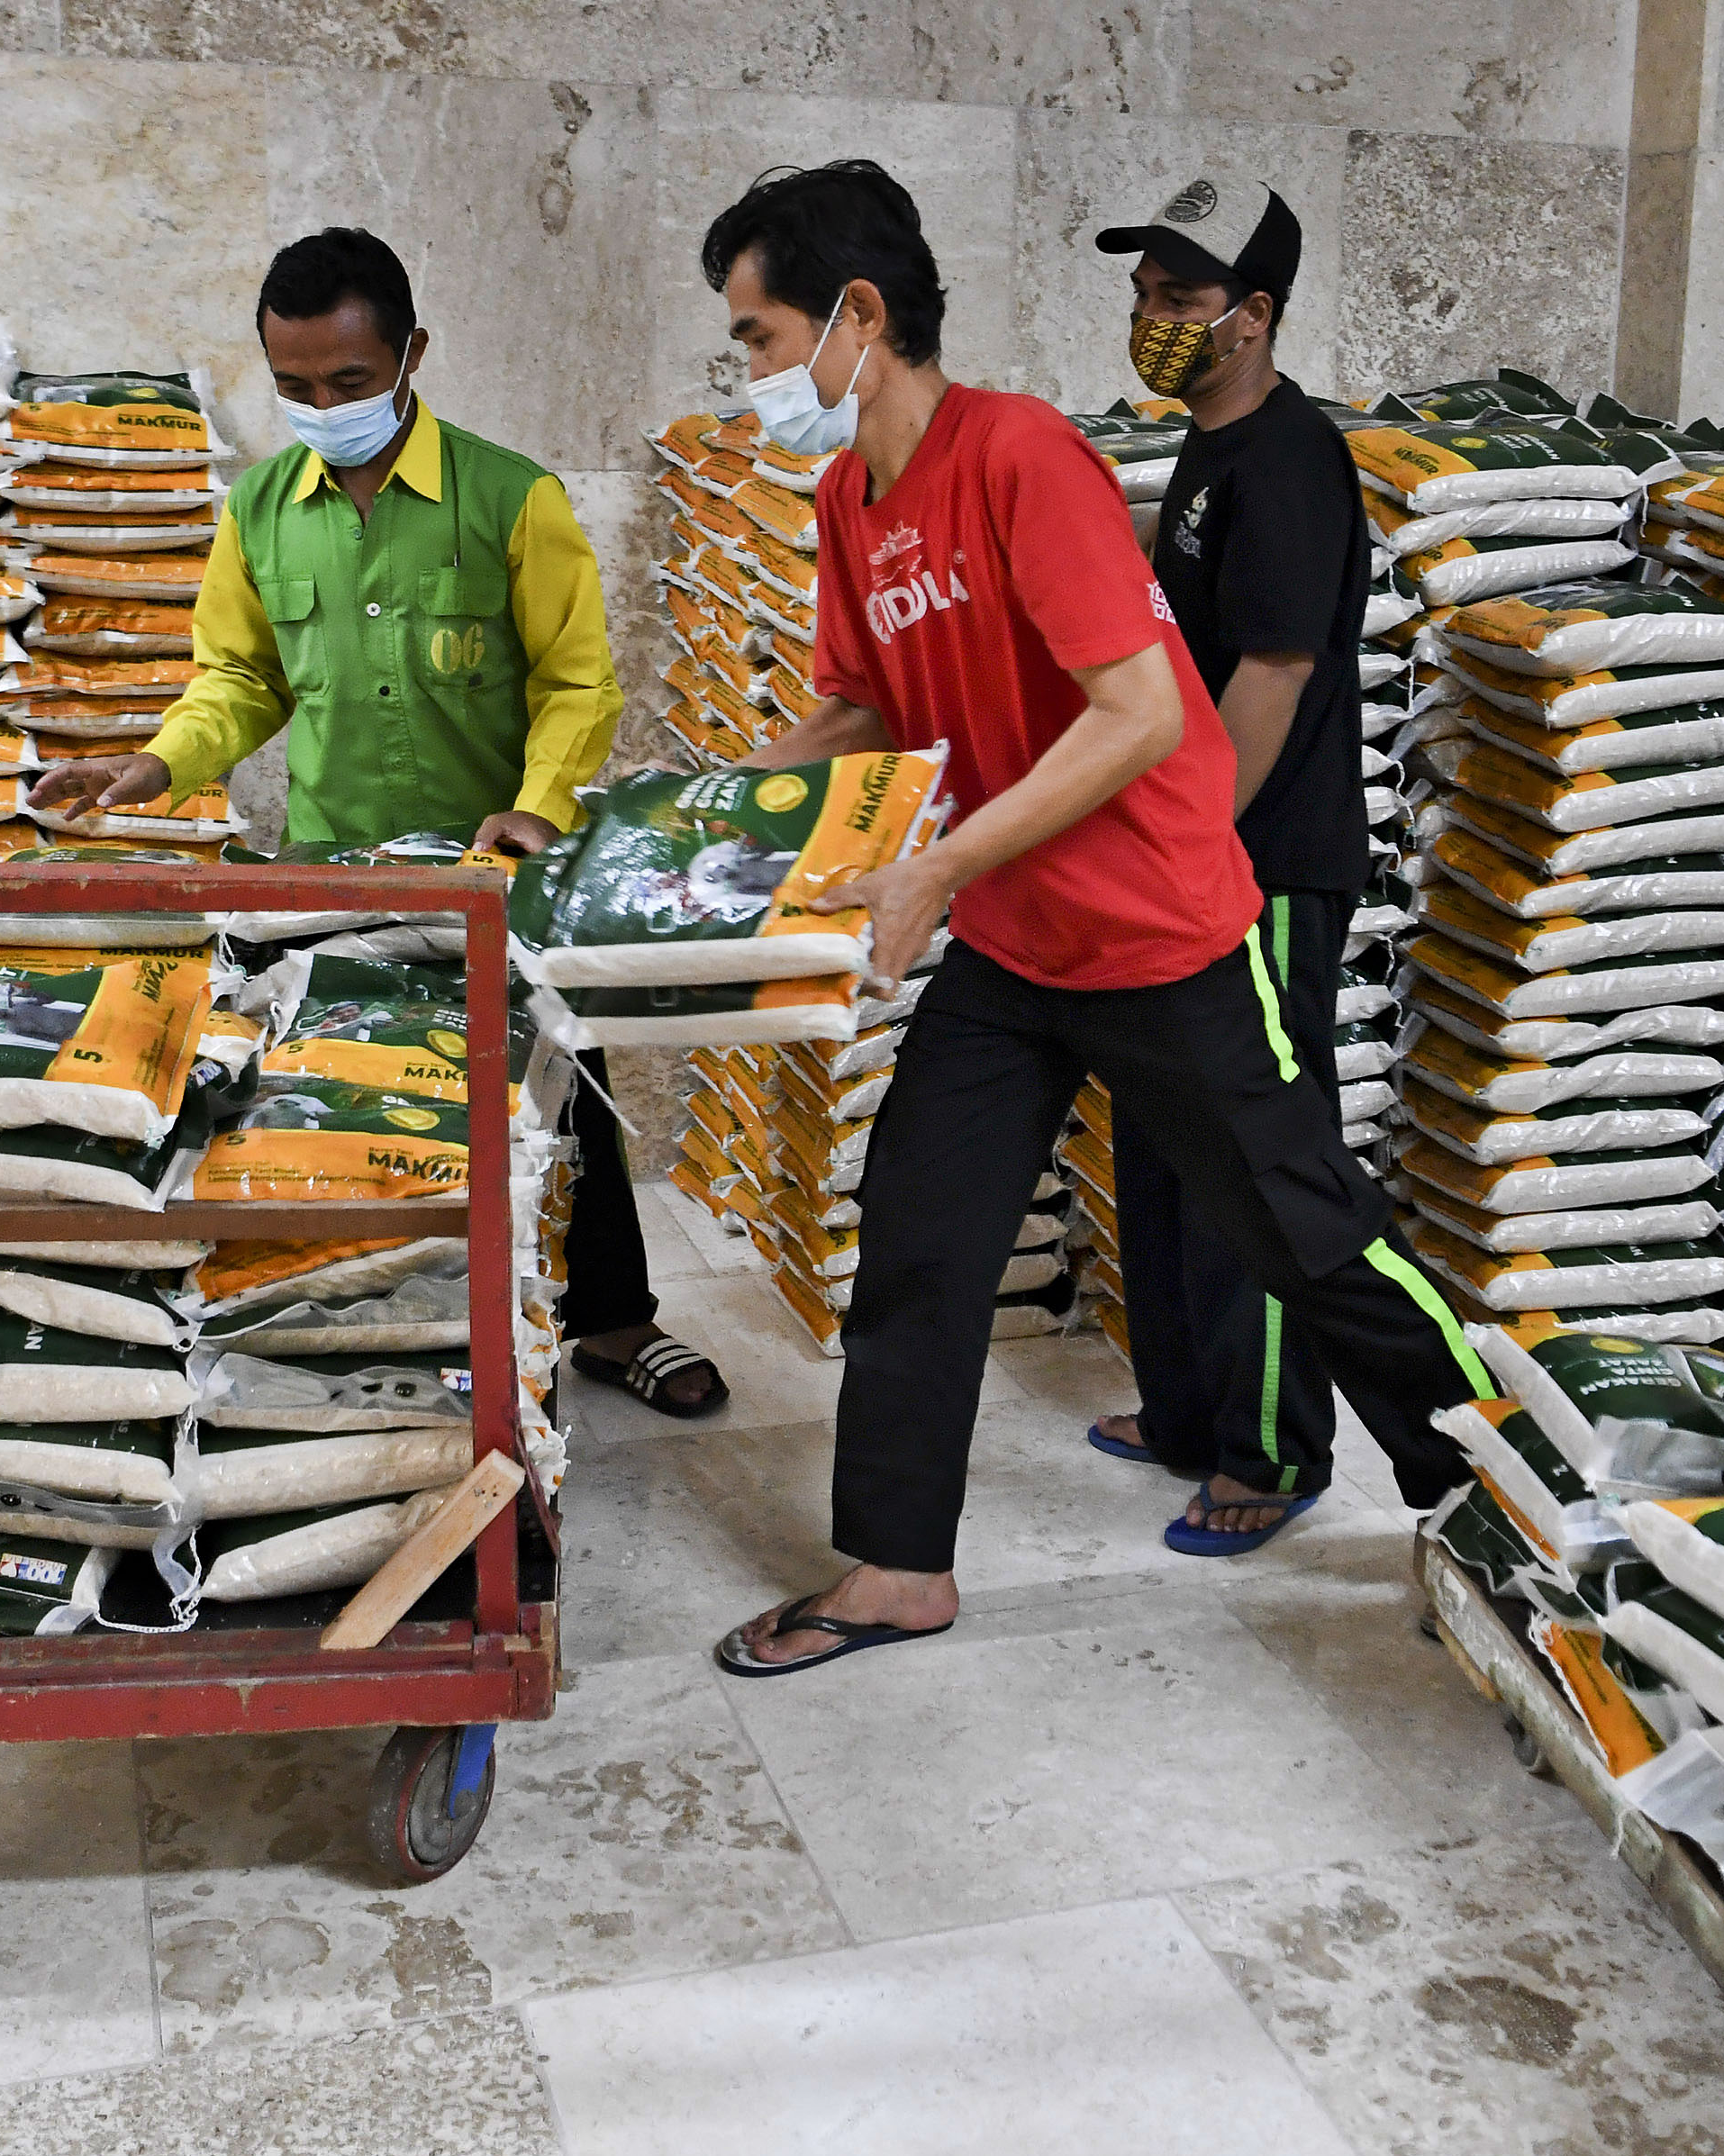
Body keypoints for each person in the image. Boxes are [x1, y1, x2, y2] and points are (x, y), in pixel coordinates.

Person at [689, 161, 1499, 1678]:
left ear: (856, 315)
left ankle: (1508, 1486)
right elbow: (865, 701)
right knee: (923, 1229)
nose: (746, 372)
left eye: (756, 334)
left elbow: (1137, 713)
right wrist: (719, 804)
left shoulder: (1020, 458)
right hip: (1013, 946)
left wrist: (931, 868)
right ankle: (895, 1565)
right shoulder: (849, 499)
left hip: (1162, 931)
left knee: (1308, 1235)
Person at [31, 228, 728, 1418]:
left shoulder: (514, 499)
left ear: (410, 353)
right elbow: (238, 681)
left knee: (568, 1092)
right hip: (333, 878)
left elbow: (578, 683)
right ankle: (397, 1323)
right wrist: (154, 767)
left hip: (498, 867)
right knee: (359, 1103)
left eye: (348, 383)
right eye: (294, 387)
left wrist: (540, 806)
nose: (321, 406)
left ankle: (615, 1320)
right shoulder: (259, 511)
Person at [1081, 175, 1376, 1556]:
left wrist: (1192, 842)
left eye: (1182, 299)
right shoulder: (1210, 445)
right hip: (1188, 861)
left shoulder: (1290, 460)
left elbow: (1271, 673)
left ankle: (1275, 1446)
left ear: (1253, 316)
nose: (1153, 318)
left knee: (1254, 1158)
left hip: (1262, 867)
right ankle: (1190, 1408)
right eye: (1144, 294)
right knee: (1164, 1138)